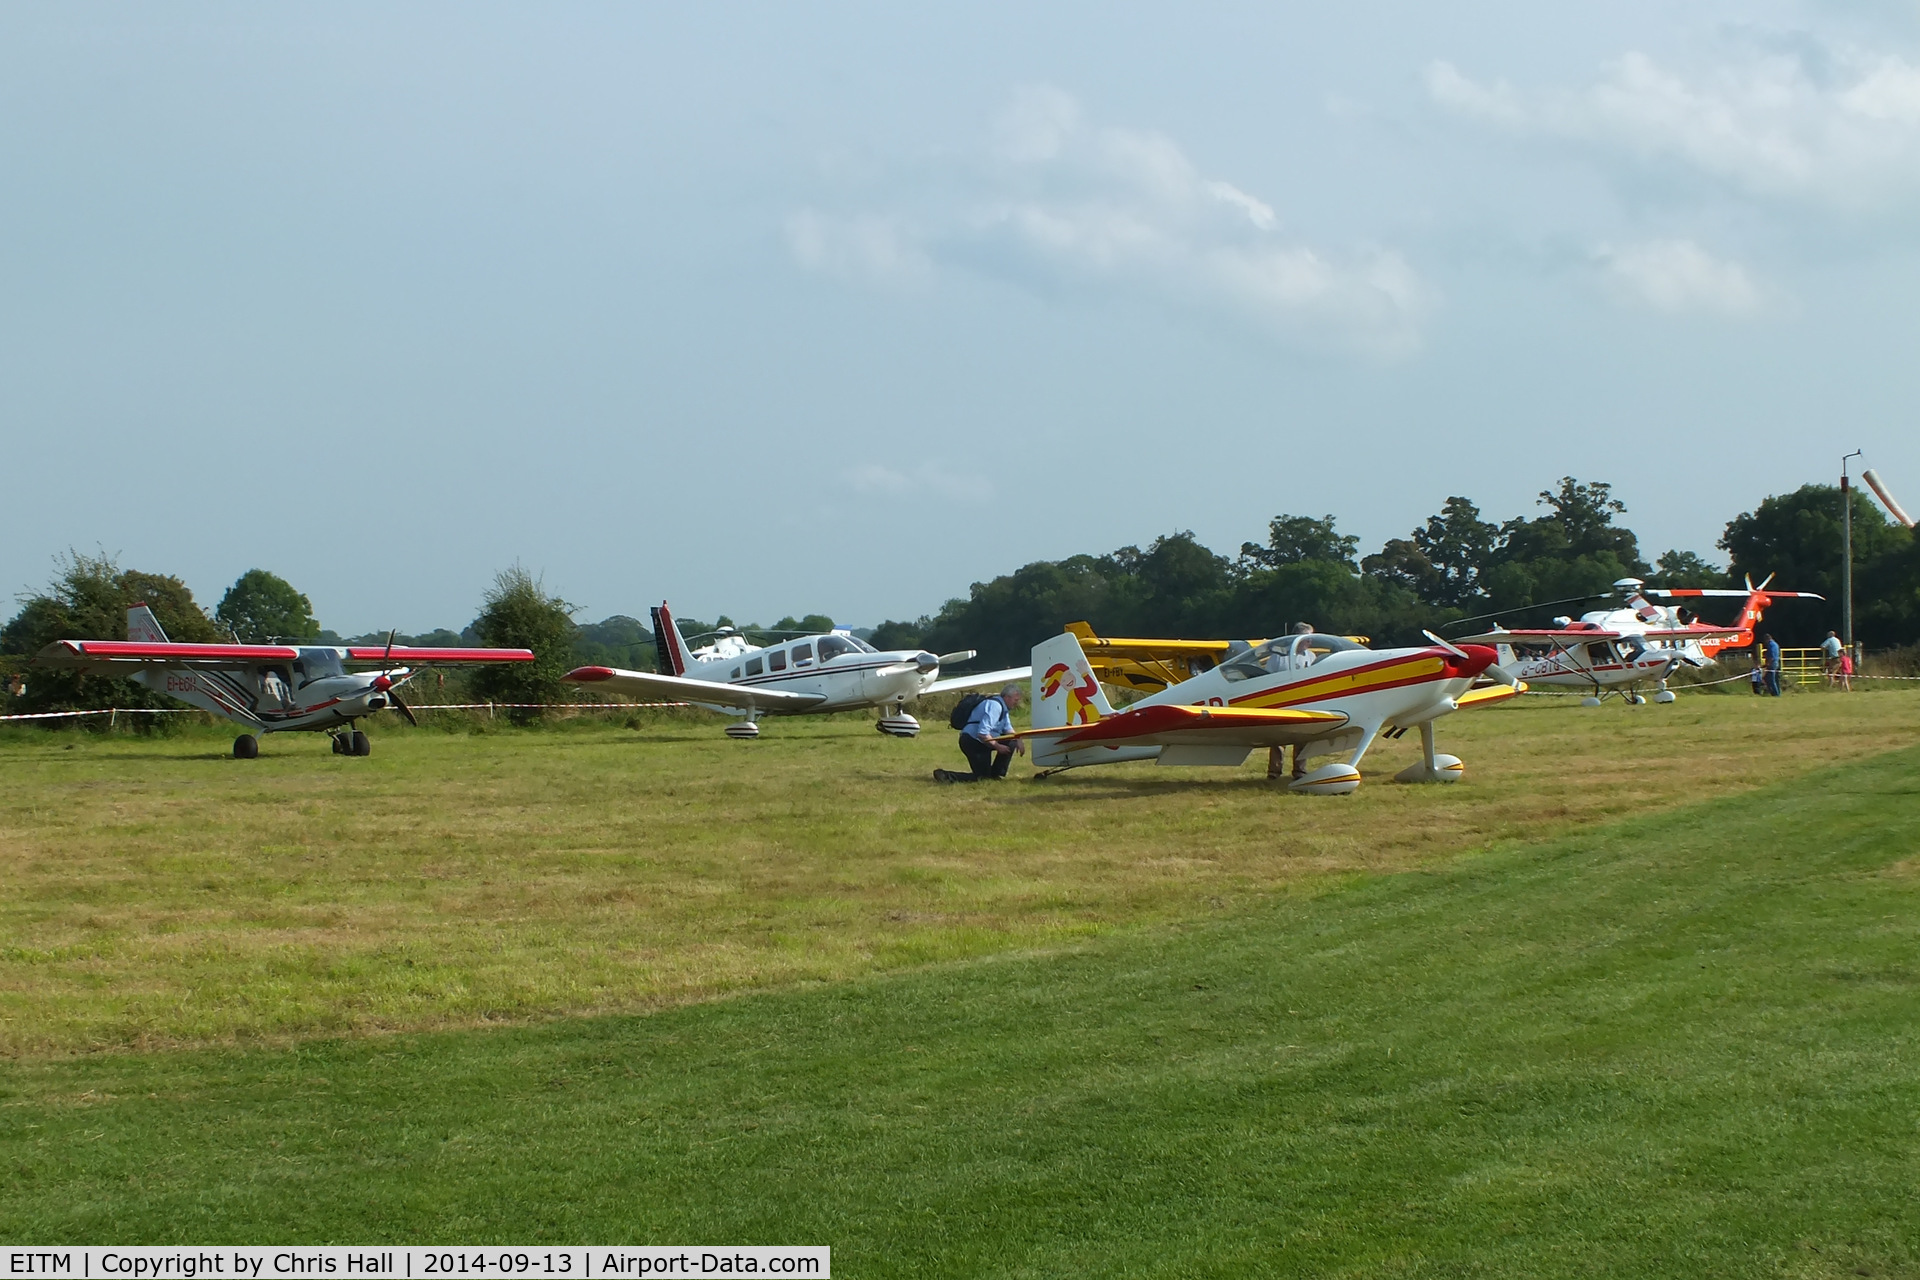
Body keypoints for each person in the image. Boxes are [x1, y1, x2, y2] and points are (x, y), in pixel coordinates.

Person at [935, 683, 1025, 783]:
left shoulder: (1003, 708)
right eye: (1015, 700)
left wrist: (1018, 739)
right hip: (973, 742)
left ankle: (996, 775)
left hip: (983, 741)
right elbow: (983, 733)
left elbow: (1008, 728)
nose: (1017, 703)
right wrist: (998, 747)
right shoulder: (995, 706)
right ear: (1007, 697)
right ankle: (946, 775)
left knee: (1012, 742)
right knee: (982, 778)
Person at [1268, 622, 1317, 782]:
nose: (1310, 643)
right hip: (1281, 701)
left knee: (1302, 738)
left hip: (1303, 702)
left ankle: (1300, 772)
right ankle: (1274, 773)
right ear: (1298, 637)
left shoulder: (1311, 656)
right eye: (1307, 639)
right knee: (1278, 740)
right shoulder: (1278, 656)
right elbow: (1266, 678)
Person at [1761, 631, 1782, 696]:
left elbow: (1772, 656)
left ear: (1767, 639)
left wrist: (1768, 664)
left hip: (1772, 663)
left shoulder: (1771, 645)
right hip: (1777, 662)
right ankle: (1777, 692)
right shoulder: (1776, 644)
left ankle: (1775, 693)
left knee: (1770, 679)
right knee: (1775, 679)